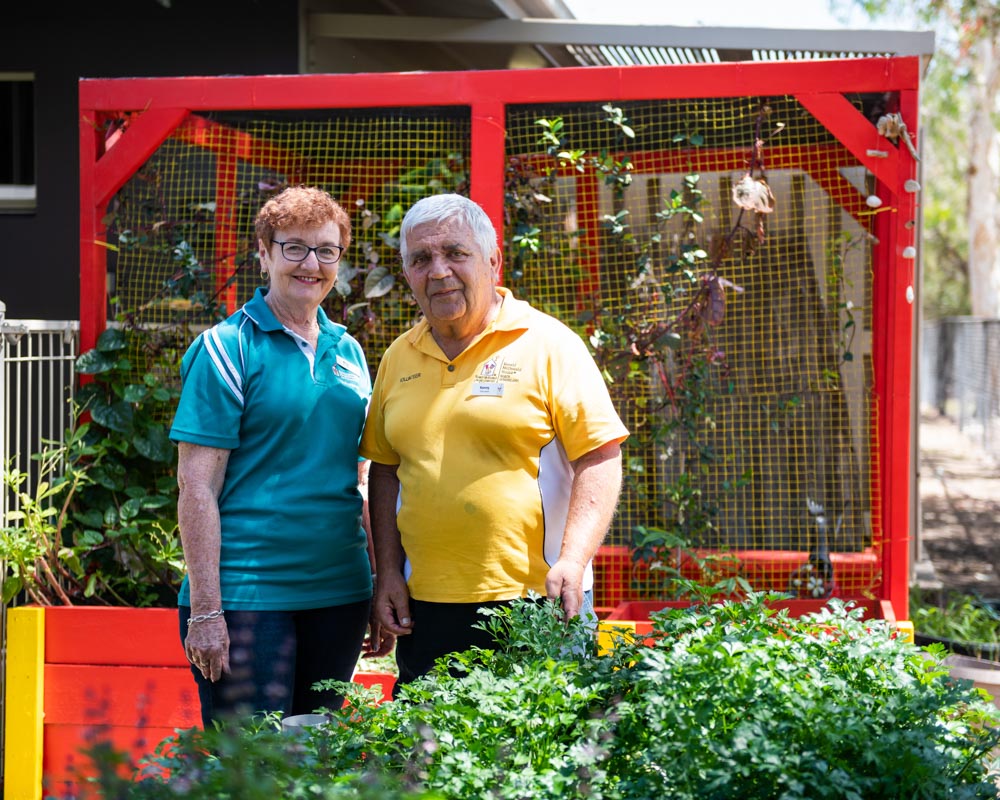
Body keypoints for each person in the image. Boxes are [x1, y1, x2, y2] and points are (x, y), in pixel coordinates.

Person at [359, 193, 628, 691]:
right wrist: (388, 573)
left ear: (492, 261)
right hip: (426, 605)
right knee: (432, 755)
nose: (438, 271)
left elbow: (600, 455)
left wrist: (573, 559)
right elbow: (386, 468)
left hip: (536, 599)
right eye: (421, 259)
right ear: (408, 275)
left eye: (454, 253)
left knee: (545, 754)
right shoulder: (399, 356)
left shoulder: (549, 344)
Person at [170, 185, 392, 727]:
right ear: (264, 253)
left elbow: (360, 478)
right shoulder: (227, 348)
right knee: (253, 769)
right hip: (247, 596)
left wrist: (379, 582)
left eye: (326, 249)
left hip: (340, 591)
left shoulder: (350, 350)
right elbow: (196, 487)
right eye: (293, 247)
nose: (310, 263)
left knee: (316, 761)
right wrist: (206, 610)